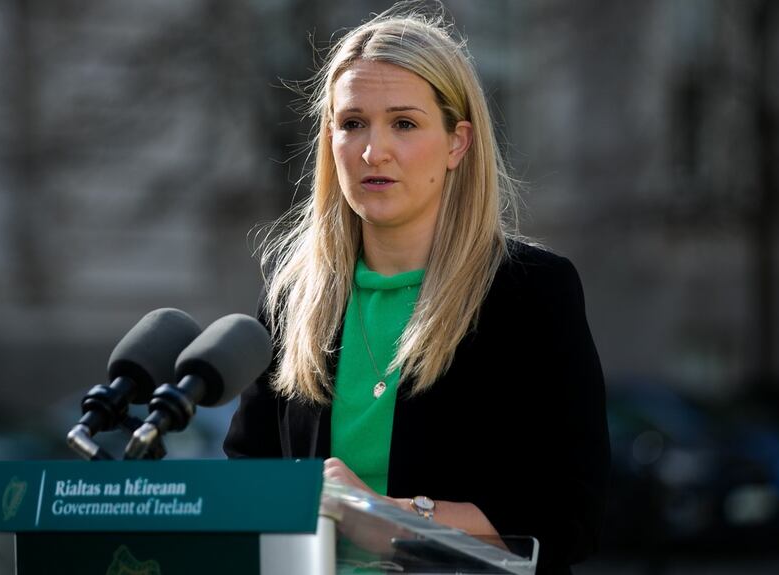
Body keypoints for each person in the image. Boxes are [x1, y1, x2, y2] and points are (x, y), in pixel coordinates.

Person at [224, 4, 609, 574]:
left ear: (457, 143)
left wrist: (392, 517)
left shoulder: (530, 293)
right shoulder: (293, 299)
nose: (373, 151)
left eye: (403, 124)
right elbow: (245, 484)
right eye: (352, 123)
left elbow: (570, 514)